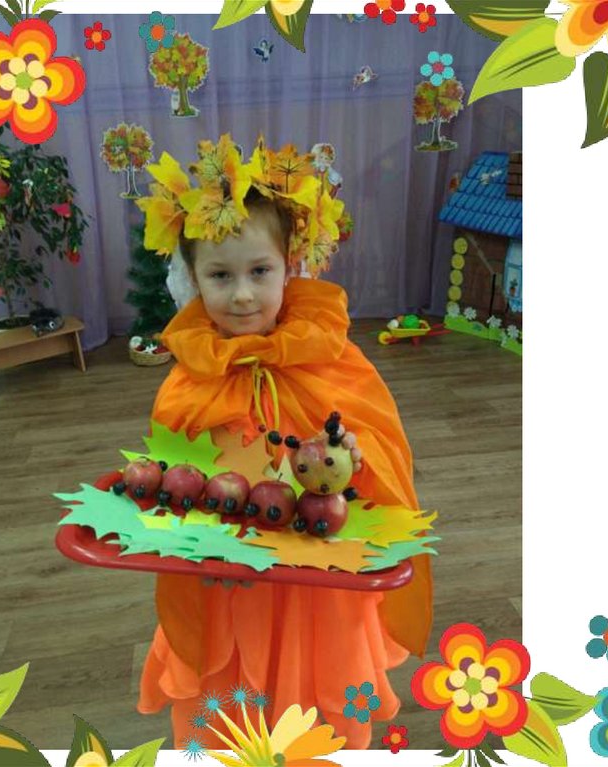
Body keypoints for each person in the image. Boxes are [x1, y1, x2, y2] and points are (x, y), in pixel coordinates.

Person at [134, 134, 433, 750]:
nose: (242, 294)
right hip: (228, 581)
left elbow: (381, 453)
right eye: (220, 275)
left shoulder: (330, 357)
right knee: (231, 702)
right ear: (193, 278)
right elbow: (173, 474)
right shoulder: (191, 373)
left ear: (289, 267)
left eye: (259, 271)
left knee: (311, 700)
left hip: (313, 585)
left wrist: (353, 457)